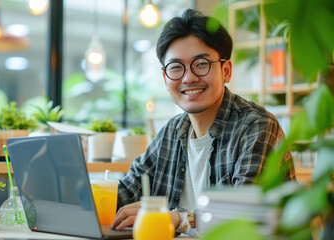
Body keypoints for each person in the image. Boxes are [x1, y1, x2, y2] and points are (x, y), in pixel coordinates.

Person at [111, 9, 296, 233]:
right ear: (165, 77)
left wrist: (178, 219)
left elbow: (245, 218)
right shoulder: (172, 131)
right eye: (176, 67)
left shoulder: (257, 126)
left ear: (226, 71)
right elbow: (127, 191)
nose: (188, 78)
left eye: (201, 64)